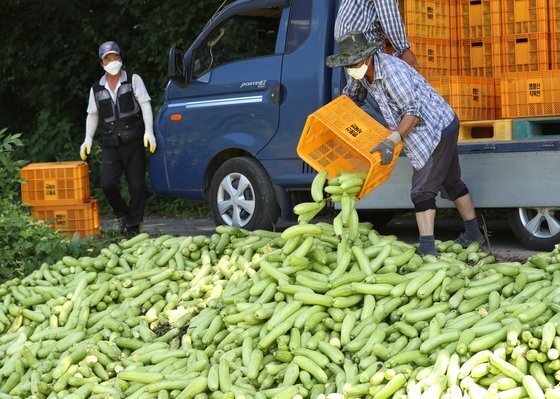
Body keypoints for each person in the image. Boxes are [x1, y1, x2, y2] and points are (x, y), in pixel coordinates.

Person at [326, 32, 484, 256]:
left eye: (354, 63)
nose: (351, 68)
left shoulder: (393, 72)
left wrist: (393, 139)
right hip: (429, 126)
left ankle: (428, 248)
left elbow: (413, 112)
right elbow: (352, 97)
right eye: (347, 64)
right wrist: (332, 117)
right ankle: (473, 233)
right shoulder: (358, 72)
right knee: (451, 181)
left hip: (435, 127)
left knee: (422, 190)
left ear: (368, 57)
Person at [79, 41, 156, 237]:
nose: (112, 61)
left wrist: (149, 131)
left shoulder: (133, 79)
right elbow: (93, 114)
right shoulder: (96, 88)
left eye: (115, 57)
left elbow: (145, 104)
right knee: (107, 184)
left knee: (137, 186)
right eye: (108, 58)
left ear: (121, 58)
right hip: (110, 144)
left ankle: (133, 226)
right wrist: (87, 138)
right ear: (101, 63)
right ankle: (124, 215)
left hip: (134, 141)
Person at [334, 0, 419, 126]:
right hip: (360, 45)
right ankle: (380, 140)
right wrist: (403, 48)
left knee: (365, 96)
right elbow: (388, 15)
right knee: (375, 106)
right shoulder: (370, 62)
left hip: (353, 46)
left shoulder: (387, 69)